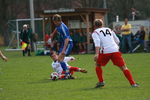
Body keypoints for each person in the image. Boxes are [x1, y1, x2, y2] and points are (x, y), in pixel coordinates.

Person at [91, 19, 138, 88]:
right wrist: (114, 47)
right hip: (115, 50)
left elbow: (97, 43)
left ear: (94, 25)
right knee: (124, 67)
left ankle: (101, 81)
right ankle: (133, 83)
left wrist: (97, 54)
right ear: (102, 24)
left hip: (105, 51)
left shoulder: (95, 32)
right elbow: (117, 40)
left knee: (98, 64)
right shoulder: (109, 29)